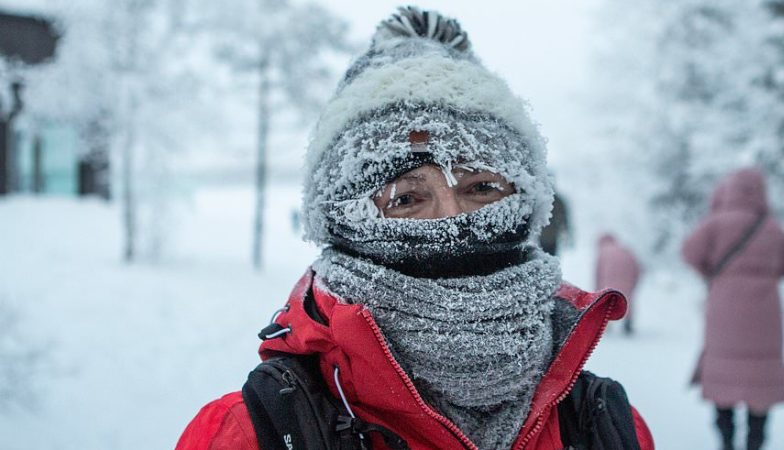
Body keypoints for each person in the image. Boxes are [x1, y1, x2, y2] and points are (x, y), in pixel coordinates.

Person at [175, 7, 653, 450]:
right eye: (406, 198)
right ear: (346, 222)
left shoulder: (606, 425)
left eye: (482, 187)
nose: (454, 218)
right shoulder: (248, 433)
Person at [681, 167, 784, 450]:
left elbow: (688, 252)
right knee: (761, 383)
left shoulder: (715, 223)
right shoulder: (773, 228)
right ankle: (755, 442)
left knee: (724, 378)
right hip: (766, 314)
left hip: (724, 308)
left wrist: (712, 272)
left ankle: (727, 441)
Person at [595, 233, 642, 335]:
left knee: (608, 301)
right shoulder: (626, 250)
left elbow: (598, 272)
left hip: (608, 280)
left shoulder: (603, 252)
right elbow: (637, 266)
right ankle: (628, 323)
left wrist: (597, 288)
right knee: (627, 299)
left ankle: (606, 323)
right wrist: (635, 281)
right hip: (627, 279)